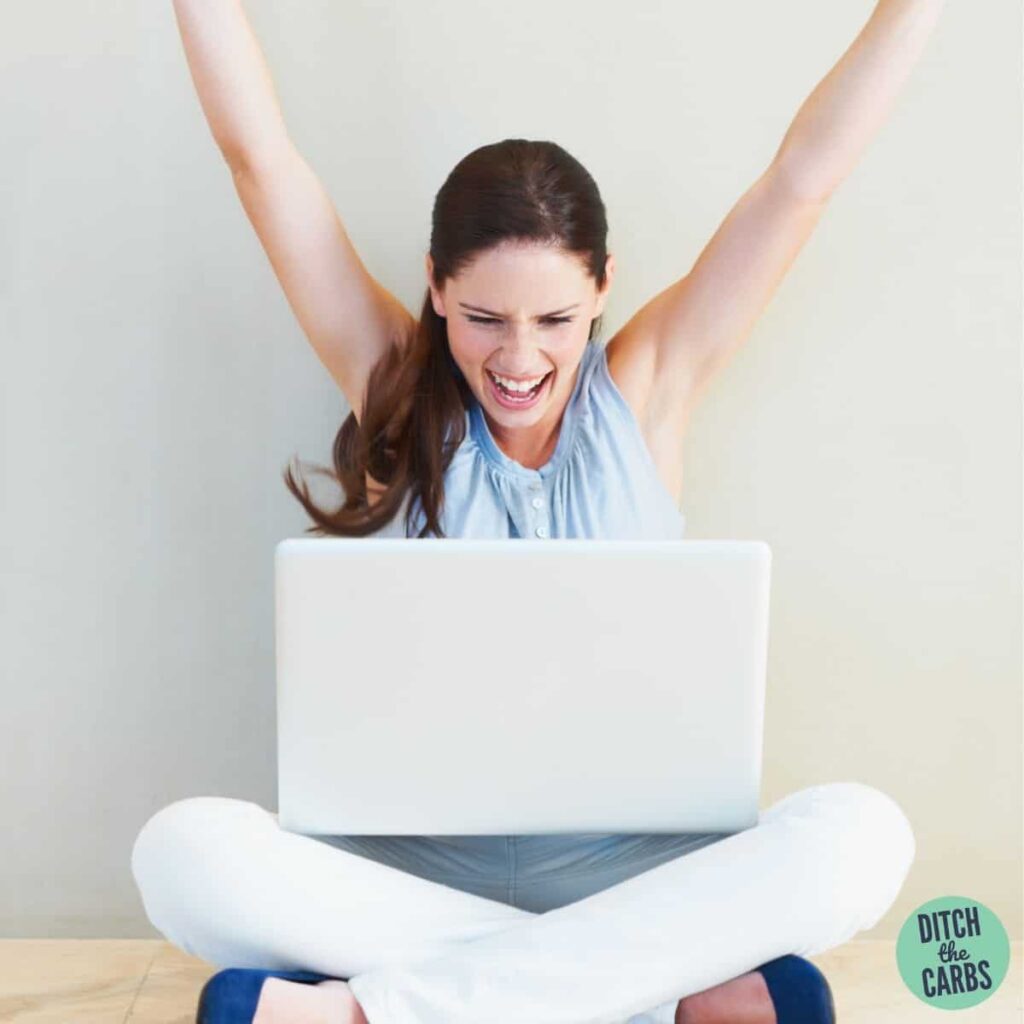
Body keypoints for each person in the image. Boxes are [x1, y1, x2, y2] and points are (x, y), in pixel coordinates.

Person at [133, 1, 945, 1021]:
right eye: (484, 318)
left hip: (634, 876)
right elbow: (261, 159)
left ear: (602, 289)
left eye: (555, 319)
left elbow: (801, 181)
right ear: (434, 289)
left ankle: (374, 1009)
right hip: (410, 879)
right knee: (181, 856)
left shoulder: (647, 390)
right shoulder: (393, 385)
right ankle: (648, 997)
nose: (518, 360)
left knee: (861, 835)